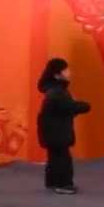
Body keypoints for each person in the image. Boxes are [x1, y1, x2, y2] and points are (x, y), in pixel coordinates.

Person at [37, 57, 90, 194]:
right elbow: (68, 107)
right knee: (62, 158)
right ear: (57, 75)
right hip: (57, 130)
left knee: (54, 157)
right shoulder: (57, 92)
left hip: (52, 129)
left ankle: (52, 182)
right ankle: (63, 184)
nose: (69, 72)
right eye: (65, 70)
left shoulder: (54, 90)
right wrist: (84, 106)